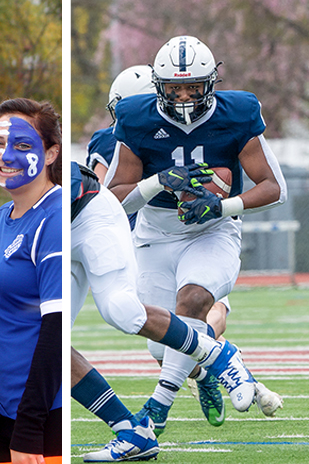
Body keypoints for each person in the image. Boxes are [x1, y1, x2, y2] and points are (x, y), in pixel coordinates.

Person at [107, 35, 287, 433]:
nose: (185, 96)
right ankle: (214, 365)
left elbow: (274, 188)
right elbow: (114, 201)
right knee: (160, 341)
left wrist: (222, 205)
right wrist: (158, 182)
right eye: (175, 88)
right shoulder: (136, 117)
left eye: (193, 87)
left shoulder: (238, 112)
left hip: (213, 230)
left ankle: (156, 412)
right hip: (155, 234)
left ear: (211, 84)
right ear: (159, 87)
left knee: (192, 301)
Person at [71, 162, 267, 461]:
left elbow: (102, 191)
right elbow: (121, 190)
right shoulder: (131, 130)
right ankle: (136, 430)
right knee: (48, 341)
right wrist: (156, 182)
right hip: (149, 238)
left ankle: (198, 370)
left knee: (123, 311)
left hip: (91, 217)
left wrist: (220, 205)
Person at [0, 98, 62, 462]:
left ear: (51, 153)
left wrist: (28, 428)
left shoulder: (53, 218)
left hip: (41, 421)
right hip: (4, 413)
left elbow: (56, 329)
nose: (6, 154)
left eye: (23, 145)